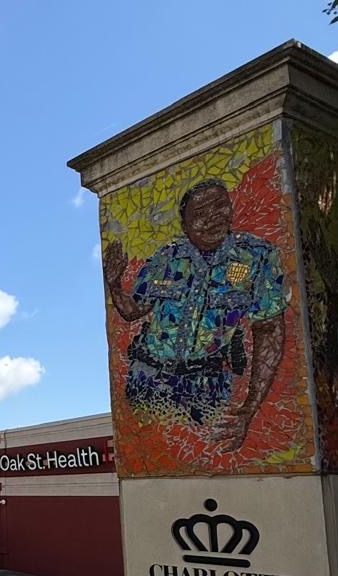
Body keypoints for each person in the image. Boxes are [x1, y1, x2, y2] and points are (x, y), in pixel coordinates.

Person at [102, 177, 286, 452]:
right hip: (148, 381)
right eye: (200, 214)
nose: (213, 218)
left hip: (207, 387)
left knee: (200, 451)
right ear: (185, 225)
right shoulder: (166, 259)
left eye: (220, 206)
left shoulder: (256, 257)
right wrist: (114, 285)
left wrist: (249, 409)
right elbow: (133, 311)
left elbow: (269, 330)